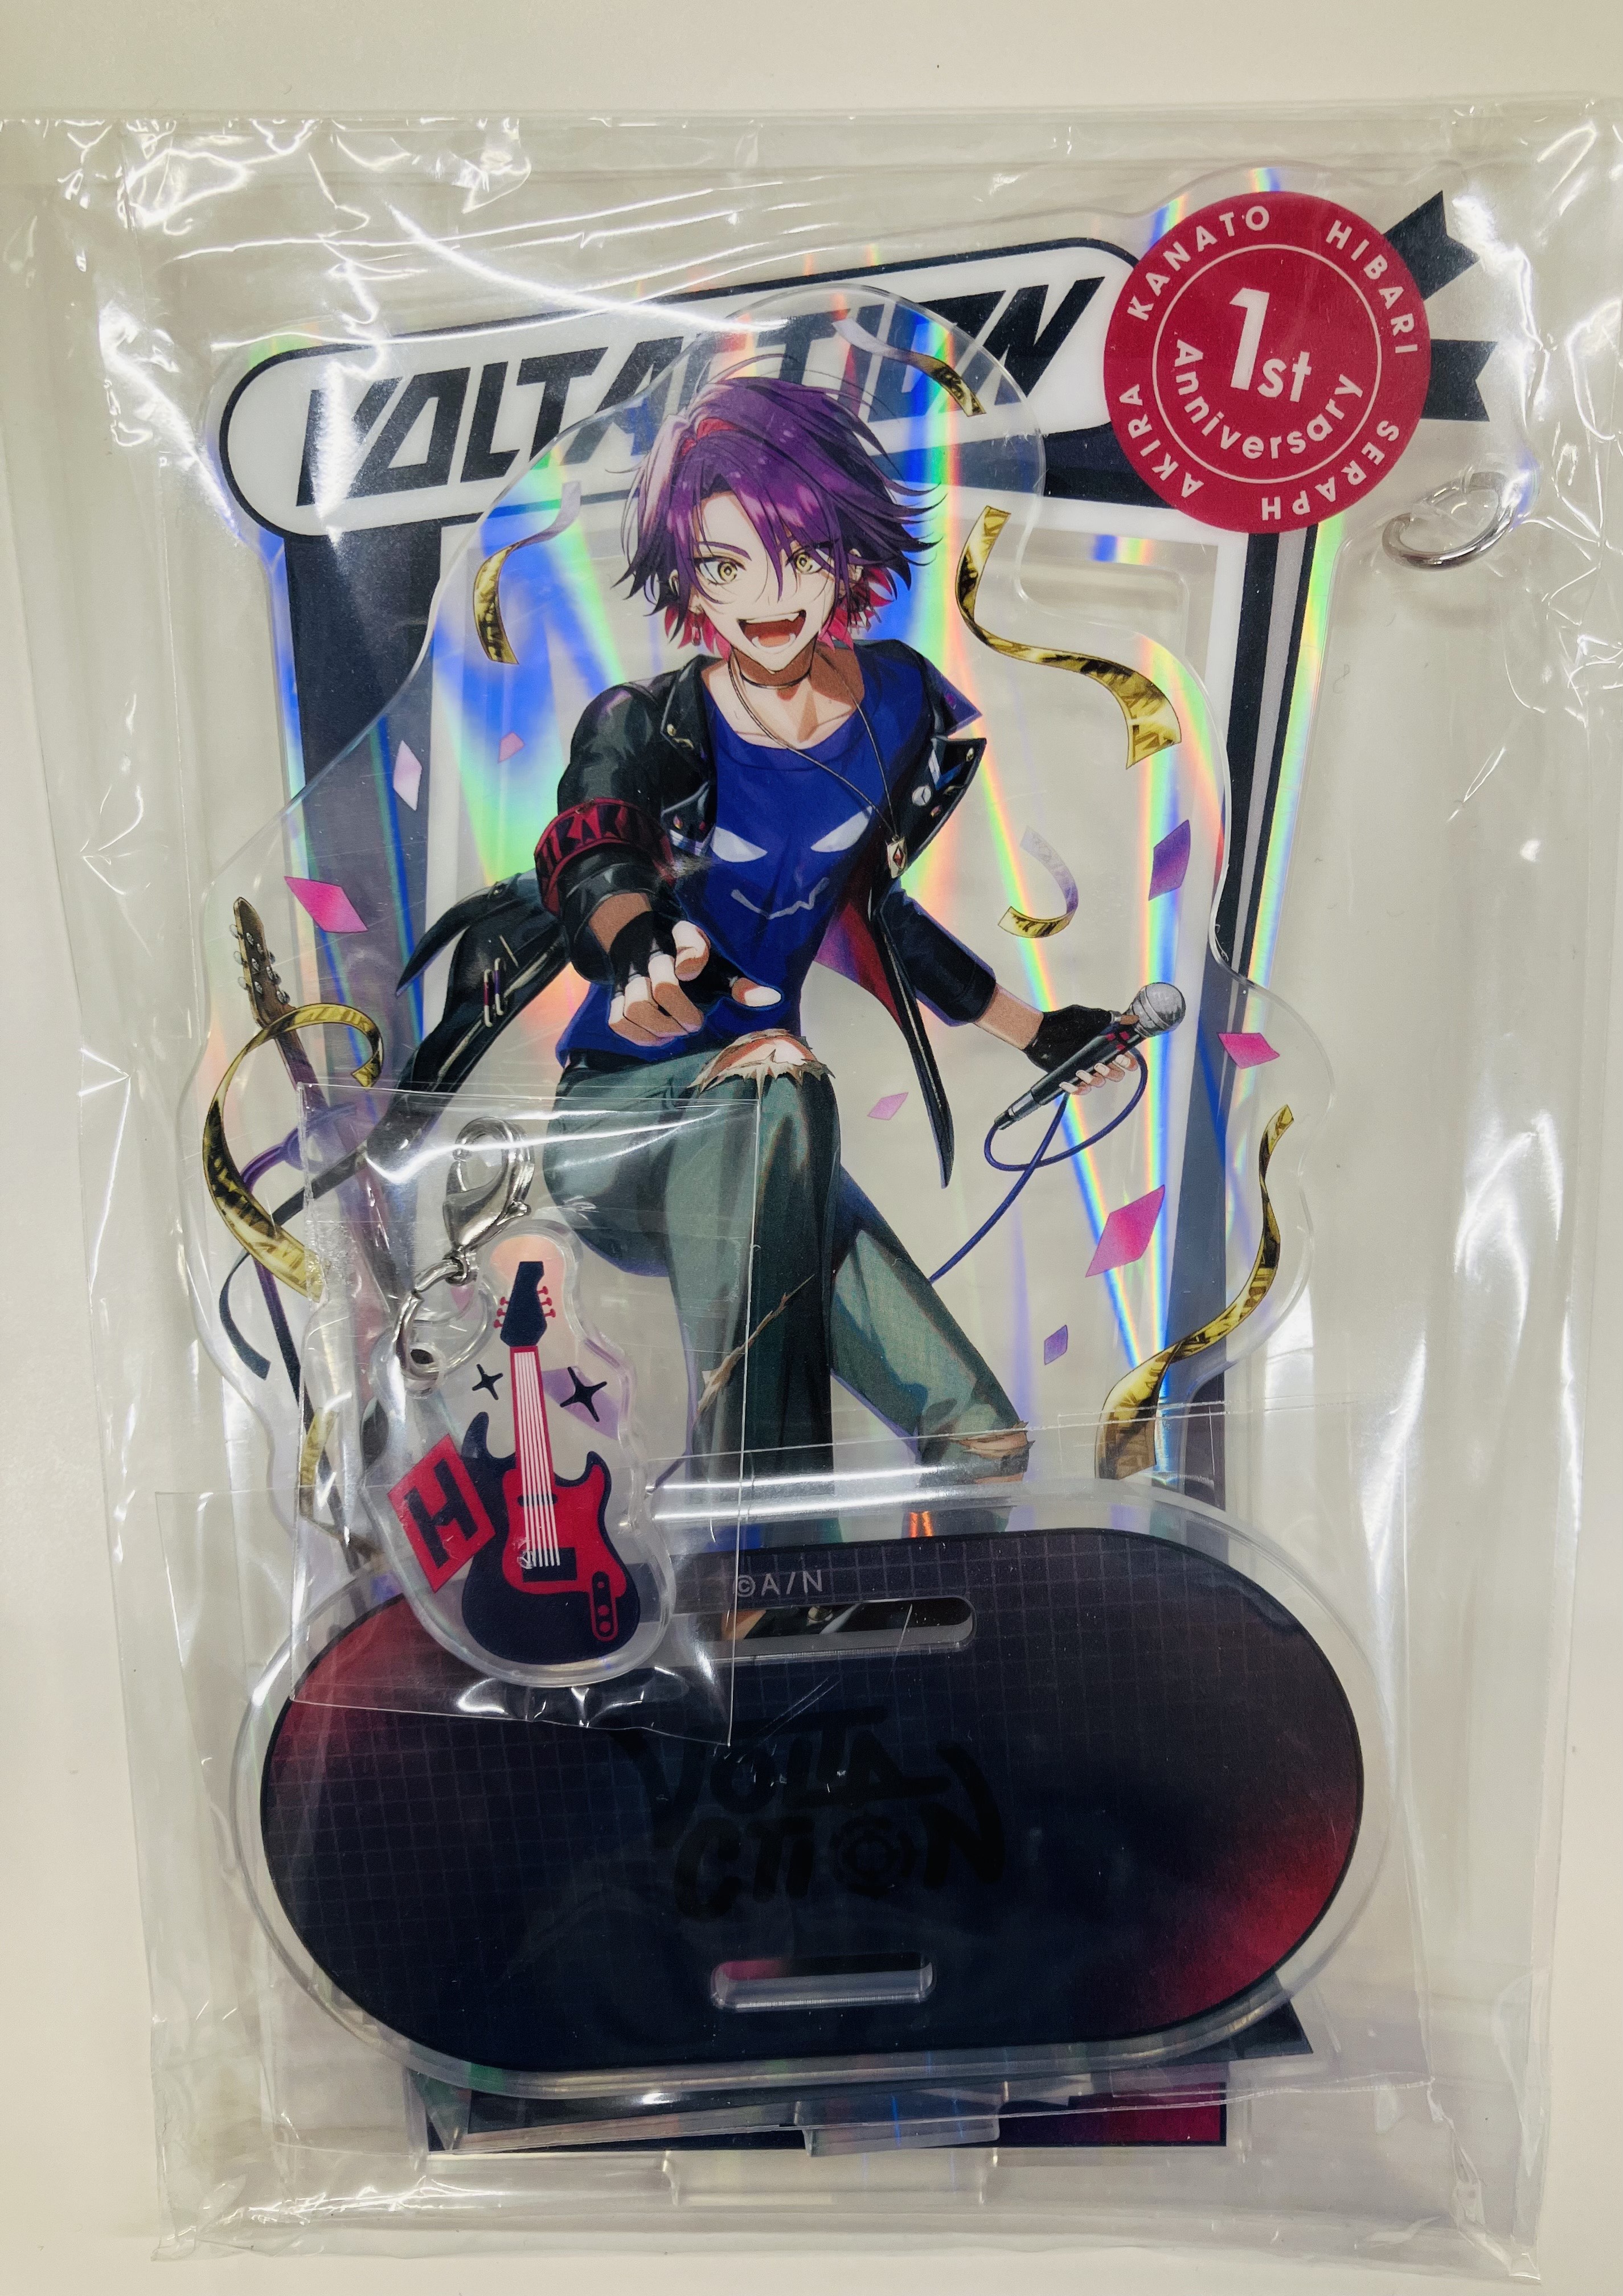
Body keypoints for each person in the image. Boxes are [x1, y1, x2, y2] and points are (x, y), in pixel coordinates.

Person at [534, 371, 1132, 1508]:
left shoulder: (900, 707)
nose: (766, 599)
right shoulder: (648, 722)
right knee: (774, 1085)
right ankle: (756, 1535)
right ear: (686, 575)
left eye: (799, 557)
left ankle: (909, 1608)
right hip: (624, 1132)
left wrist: (1039, 1030)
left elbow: (876, 915)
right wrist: (632, 934)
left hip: (777, 1141)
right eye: (724, 566)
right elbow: (592, 842)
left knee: (981, 1440)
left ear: (847, 557)